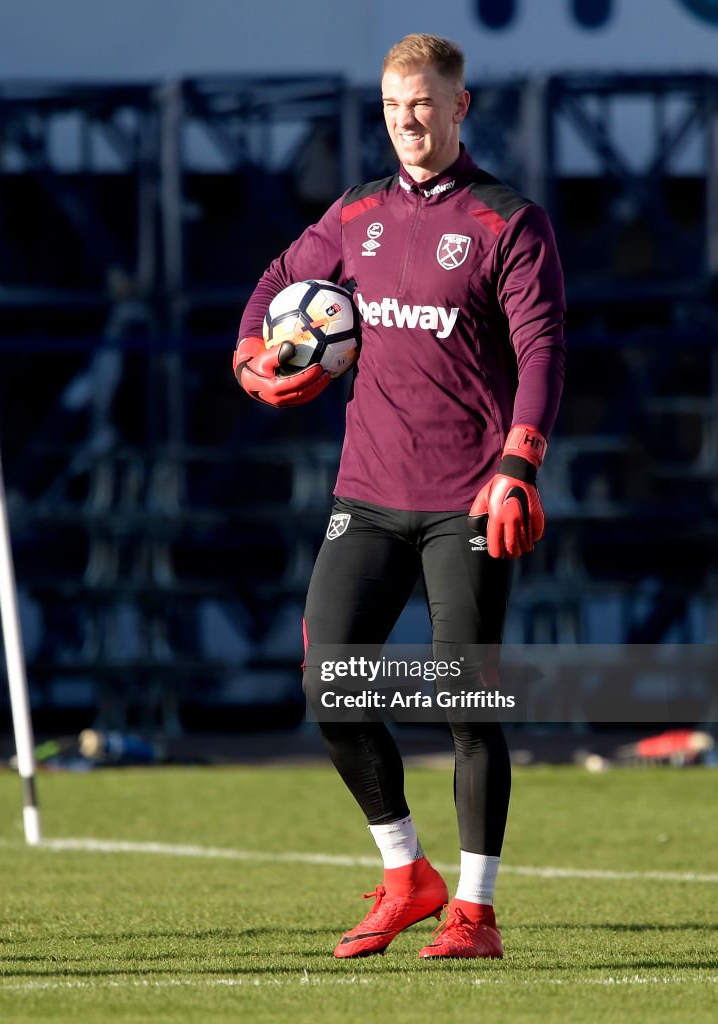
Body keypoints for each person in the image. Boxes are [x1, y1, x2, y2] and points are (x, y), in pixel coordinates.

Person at [232, 33, 565, 959]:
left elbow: (541, 350)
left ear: (460, 107)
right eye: (391, 109)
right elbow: (273, 286)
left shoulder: (509, 220)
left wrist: (519, 463)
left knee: (466, 704)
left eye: (422, 105)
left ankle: (476, 911)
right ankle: (404, 873)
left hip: (468, 499)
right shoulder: (355, 213)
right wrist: (249, 356)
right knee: (327, 685)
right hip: (368, 495)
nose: (406, 123)